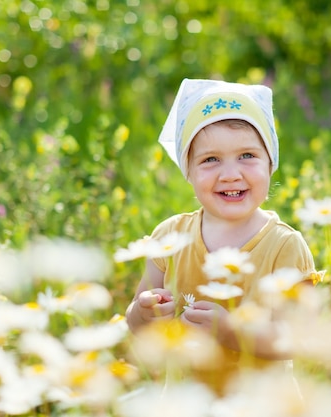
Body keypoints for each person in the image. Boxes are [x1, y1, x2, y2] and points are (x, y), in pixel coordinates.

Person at [125, 78, 317, 394]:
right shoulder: (171, 237)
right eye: (210, 159)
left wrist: (231, 331)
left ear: (271, 163)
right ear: (188, 170)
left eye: (247, 156)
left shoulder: (284, 246)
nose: (230, 173)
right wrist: (145, 312)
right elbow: (136, 324)